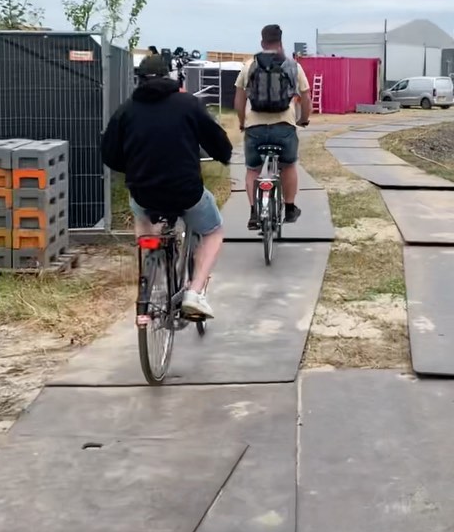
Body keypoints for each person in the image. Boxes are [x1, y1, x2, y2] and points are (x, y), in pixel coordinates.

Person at [101, 53, 232, 320]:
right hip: (186, 193)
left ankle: (150, 265)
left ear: (139, 79)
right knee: (213, 231)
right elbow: (217, 141)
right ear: (169, 76)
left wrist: (134, 168)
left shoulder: (126, 110)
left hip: (144, 193)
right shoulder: (188, 104)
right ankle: (195, 292)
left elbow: (110, 156)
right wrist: (223, 155)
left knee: (142, 214)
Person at [234, 24, 311, 230]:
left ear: (262, 42)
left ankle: (253, 213)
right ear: (280, 41)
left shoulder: (249, 66)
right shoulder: (293, 66)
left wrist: (242, 122)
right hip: (284, 127)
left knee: (253, 170)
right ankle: (290, 207)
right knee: (288, 165)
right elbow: (306, 98)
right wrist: (303, 119)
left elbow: (239, 101)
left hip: (255, 129)